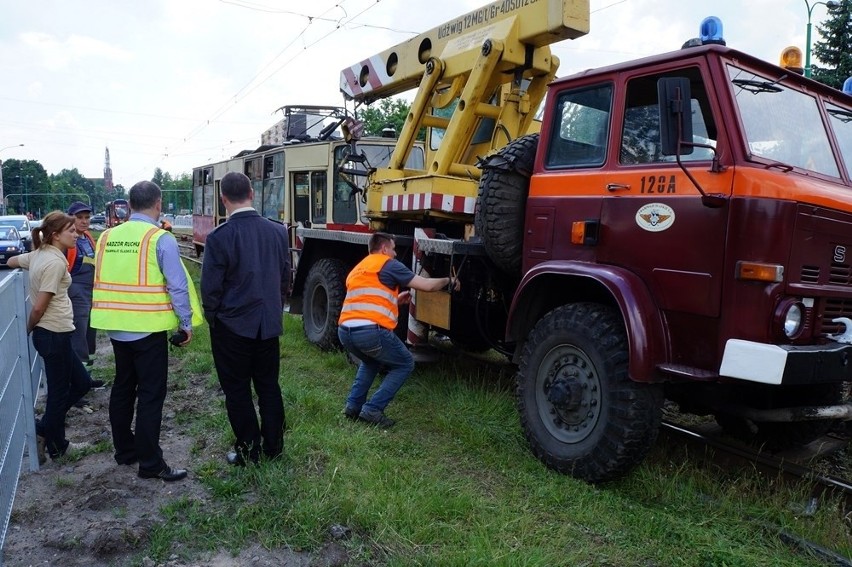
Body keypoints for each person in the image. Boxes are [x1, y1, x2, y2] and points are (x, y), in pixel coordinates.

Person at [91, 181, 203, 482]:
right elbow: (177, 285)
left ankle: (125, 452)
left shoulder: (107, 237)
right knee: (151, 394)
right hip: (147, 328)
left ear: (129, 205)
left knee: (123, 387)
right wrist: (185, 323)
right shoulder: (159, 238)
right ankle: (151, 463)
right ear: (158, 203)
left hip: (115, 327)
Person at [200, 171, 290, 466]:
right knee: (268, 385)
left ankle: (249, 449)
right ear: (252, 193)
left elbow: (211, 287)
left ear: (223, 199)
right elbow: (285, 278)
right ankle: (274, 447)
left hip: (232, 327)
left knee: (237, 389)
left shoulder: (219, 237)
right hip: (268, 324)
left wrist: (214, 317)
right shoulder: (278, 232)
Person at [339, 232, 460, 428]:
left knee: (370, 361)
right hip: (371, 333)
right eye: (394, 249)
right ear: (385, 249)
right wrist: (449, 280)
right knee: (404, 364)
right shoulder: (388, 264)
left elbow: (364, 301)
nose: (395, 254)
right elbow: (426, 286)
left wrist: (395, 301)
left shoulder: (359, 268)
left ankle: (352, 406)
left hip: (345, 332)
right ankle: (372, 409)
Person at [8, 211, 93, 460]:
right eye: (71, 231)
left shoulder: (39, 255)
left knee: (81, 384)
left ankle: (45, 430)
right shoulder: (54, 263)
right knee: (59, 394)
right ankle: (57, 446)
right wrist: (29, 327)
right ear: (56, 235)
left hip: (58, 334)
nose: (76, 234)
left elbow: (13, 262)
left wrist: (22, 262)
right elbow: (38, 307)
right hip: (52, 333)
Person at [65, 201, 98, 366]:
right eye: (79, 217)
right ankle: (80, 377)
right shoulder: (67, 240)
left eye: (87, 217)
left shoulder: (87, 237)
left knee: (90, 331)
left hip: (90, 291)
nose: (84, 221)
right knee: (79, 332)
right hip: (76, 292)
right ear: (70, 218)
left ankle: (88, 371)